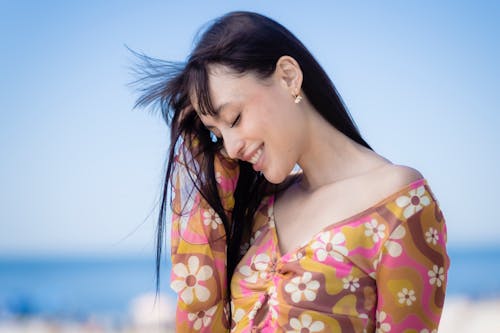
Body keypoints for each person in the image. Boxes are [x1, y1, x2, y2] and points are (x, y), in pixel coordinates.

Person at [134, 11, 449, 333]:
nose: (230, 148)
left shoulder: (399, 201)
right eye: (217, 134)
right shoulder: (260, 203)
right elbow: (204, 311)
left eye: (234, 118)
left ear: (288, 77)